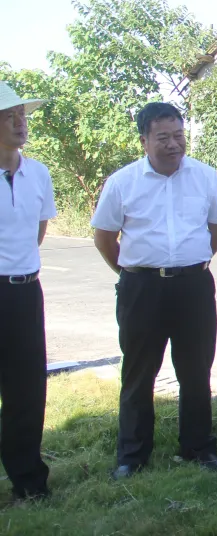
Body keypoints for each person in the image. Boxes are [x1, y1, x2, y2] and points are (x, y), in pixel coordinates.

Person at [91, 102, 217, 478]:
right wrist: (131, 272)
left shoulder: (204, 176)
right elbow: (104, 237)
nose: (174, 144)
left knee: (196, 369)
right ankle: (132, 455)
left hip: (193, 286)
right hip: (142, 287)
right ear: (144, 141)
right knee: (139, 373)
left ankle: (198, 447)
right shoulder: (123, 182)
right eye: (163, 137)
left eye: (179, 135)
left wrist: (194, 261)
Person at [0, 82, 55, 500]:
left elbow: (37, 231)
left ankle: (28, 481)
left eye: (22, 114)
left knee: (26, 388)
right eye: (8, 116)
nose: (20, 122)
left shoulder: (38, 172)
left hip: (24, 292)